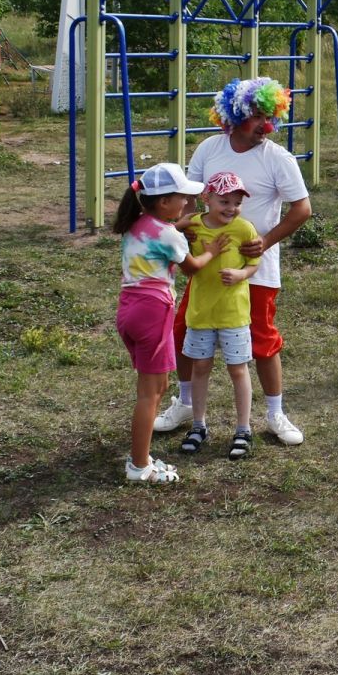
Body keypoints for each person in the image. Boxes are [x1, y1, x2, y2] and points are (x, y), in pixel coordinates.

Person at [156, 76, 312, 447]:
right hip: (206, 268)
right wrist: (183, 230)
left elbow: (302, 209)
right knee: (184, 333)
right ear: (234, 114)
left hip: (255, 272)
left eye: (270, 116)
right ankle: (186, 403)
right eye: (257, 115)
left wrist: (265, 242)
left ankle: (275, 413)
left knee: (262, 340)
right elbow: (191, 201)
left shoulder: (278, 158)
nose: (266, 125)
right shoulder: (210, 149)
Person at [112, 162, 214, 485]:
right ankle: (139, 466)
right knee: (149, 393)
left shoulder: (136, 223)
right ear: (164, 202)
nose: (186, 202)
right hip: (153, 313)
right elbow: (193, 268)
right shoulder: (169, 235)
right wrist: (213, 249)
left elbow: (165, 229)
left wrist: (180, 224)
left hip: (130, 310)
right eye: (181, 197)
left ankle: (140, 457)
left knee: (157, 386)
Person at [178, 172, 261, 461]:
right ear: (207, 199)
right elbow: (170, 236)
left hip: (234, 314)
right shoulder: (194, 226)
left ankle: (243, 429)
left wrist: (241, 274)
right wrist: (183, 225)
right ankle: (199, 425)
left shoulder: (244, 228)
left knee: (238, 369)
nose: (231, 207)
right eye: (224, 200)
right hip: (201, 312)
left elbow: (253, 264)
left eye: (237, 202)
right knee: (200, 366)